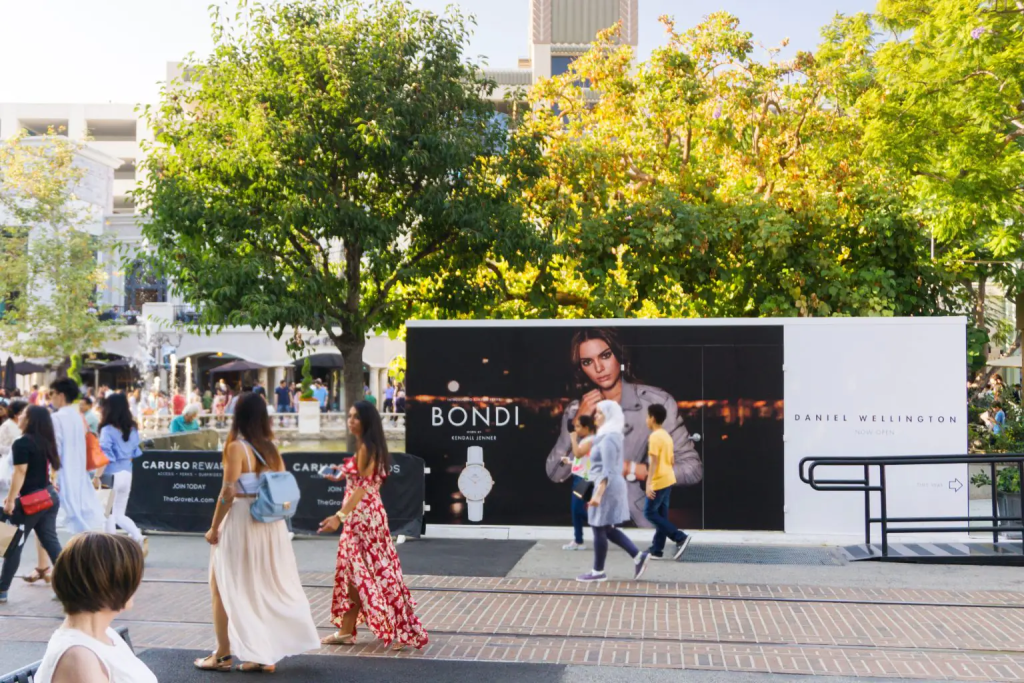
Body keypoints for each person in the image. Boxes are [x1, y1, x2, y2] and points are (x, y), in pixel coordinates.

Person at [195, 393, 319, 673]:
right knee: (261, 587)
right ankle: (263, 655)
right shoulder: (272, 448)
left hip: (242, 521)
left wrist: (214, 528)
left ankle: (223, 654)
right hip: (270, 524)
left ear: (237, 415)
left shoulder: (236, 448)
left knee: (220, 585)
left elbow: (227, 493)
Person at [546, 328, 702, 526]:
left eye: (605, 355)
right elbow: (555, 473)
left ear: (619, 355)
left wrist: (637, 470)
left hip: (641, 523)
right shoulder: (577, 410)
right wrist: (577, 424)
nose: (599, 368)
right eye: (587, 362)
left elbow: (693, 470)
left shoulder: (655, 403)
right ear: (581, 369)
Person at [318, 401, 428, 649]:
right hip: (367, 515)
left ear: (366, 421)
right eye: (349, 416)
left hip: (362, 518)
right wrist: (339, 474)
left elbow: (361, 488)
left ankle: (403, 630)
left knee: (378, 573)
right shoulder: (368, 446)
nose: (350, 420)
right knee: (355, 573)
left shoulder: (367, 447)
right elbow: (360, 477)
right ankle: (347, 630)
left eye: (356, 417)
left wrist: (340, 516)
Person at [33, 532, 157, 683]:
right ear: (111, 584)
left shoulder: (105, 635)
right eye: (132, 577)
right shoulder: (80, 658)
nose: (137, 584)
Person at [577, 400, 651, 583]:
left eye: (600, 413)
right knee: (607, 527)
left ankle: (598, 572)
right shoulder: (607, 435)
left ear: (609, 416)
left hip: (606, 487)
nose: (595, 416)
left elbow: (608, 470)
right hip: (607, 486)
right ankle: (638, 556)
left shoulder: (609, 438)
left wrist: (598, 495)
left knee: (598, 527)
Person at [0, 406, 63, 603]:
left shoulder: (22, 443)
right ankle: (69, 588)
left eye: (24, 415)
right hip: (48, 497)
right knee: (51, 543)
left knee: (14, 543)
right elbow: (53, 469)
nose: (20, 417)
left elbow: (20, 472)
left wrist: (10, 500)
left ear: (31, 420)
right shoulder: (46, 442)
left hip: (30, 502)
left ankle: (2, 590)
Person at [50, 379, 104, 534]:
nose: (50, 398)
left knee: (56, 523)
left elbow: (56, 449)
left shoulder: (57, 418)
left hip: (63, 472)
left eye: (52, 393)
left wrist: (53, 475)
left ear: (61, 395)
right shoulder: (78, 416)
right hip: (79, 471)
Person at [98, 393, 147, 554]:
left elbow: (105, 455)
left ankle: (111, 549)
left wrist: (97, 476)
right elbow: (134, 452)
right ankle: (137, 536)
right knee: (119, 513)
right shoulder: (132, 429)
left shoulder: (107, 429)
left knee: (107, 514)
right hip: (127, 473)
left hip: (111, 474)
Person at [643, 404, 693, 560]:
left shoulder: (654, 437)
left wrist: (648, 484)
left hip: (658, 480)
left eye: (647, 416)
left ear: (652, 418)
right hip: (668, 478)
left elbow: (654, 463)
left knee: (649, 513)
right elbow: (671, 460)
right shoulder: (666, 435)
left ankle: (679, 537)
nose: (646, 420)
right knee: (661, 515)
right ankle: (657, 550)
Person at [561, 413, 595, 551]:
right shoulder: (587, 439)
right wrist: (570, 462)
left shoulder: (590, 440)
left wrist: (573, 439)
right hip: (582, 477)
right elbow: (583, 459)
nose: (576, 429)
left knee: (577, 510)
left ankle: (601, 529)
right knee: (578, 510)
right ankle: (579, 539)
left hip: (584, 479)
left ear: (587, 427)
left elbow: (578, 453)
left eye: (578, 426)